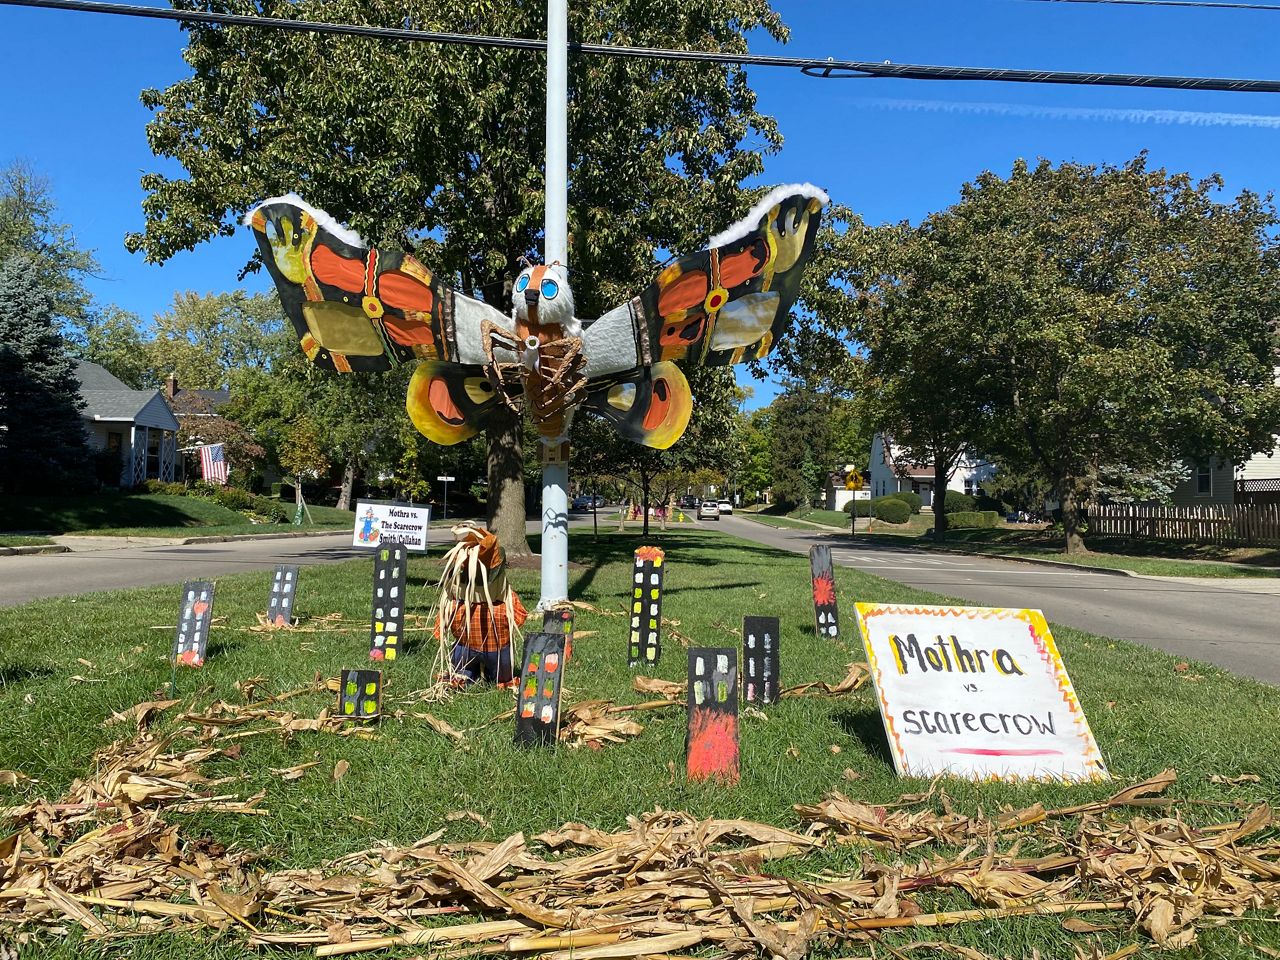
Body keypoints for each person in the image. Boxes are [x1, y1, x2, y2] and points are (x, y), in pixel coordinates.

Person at [435, 522, 528, 687]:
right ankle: (501, 681)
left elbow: (441, 625)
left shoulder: (455, 604)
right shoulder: (505, 601)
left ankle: (462, 677)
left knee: (462, 670)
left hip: (464, 648)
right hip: (497, 651)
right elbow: (519, 618)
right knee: (500, 674)